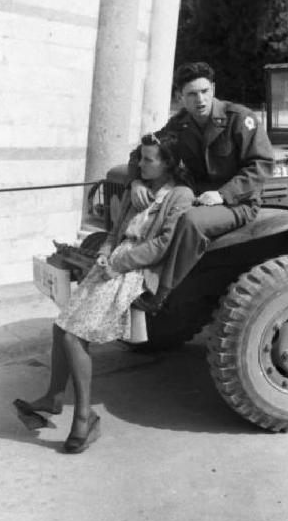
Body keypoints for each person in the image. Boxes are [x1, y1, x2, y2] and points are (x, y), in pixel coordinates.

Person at [14, 133, 195, 453]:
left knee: (73, 334)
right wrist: (105, 252)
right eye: (141, 158)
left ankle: (85, 419)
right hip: (112, 262)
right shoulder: (136, 189)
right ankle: (54, 397)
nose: (141, 164)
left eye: (149, 159)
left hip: (136, 270)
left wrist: (118, 261)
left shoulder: (179, 195)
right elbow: (115, 232)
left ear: (167, 163)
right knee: (61, 325)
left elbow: (161, 246)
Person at [127, 62, 274, 312]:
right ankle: (133, 276)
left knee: (190, 221)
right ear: (180, 97)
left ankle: (160, 293)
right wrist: (136, 180)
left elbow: (262, 164)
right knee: (160, 213)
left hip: (238, 202)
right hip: (198, 197)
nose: (201, 99)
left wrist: (222, 194)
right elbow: (145, 149)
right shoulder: (181, 124)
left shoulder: (239, 119)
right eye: (192, 94)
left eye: (205, 91)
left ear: (213, 88)